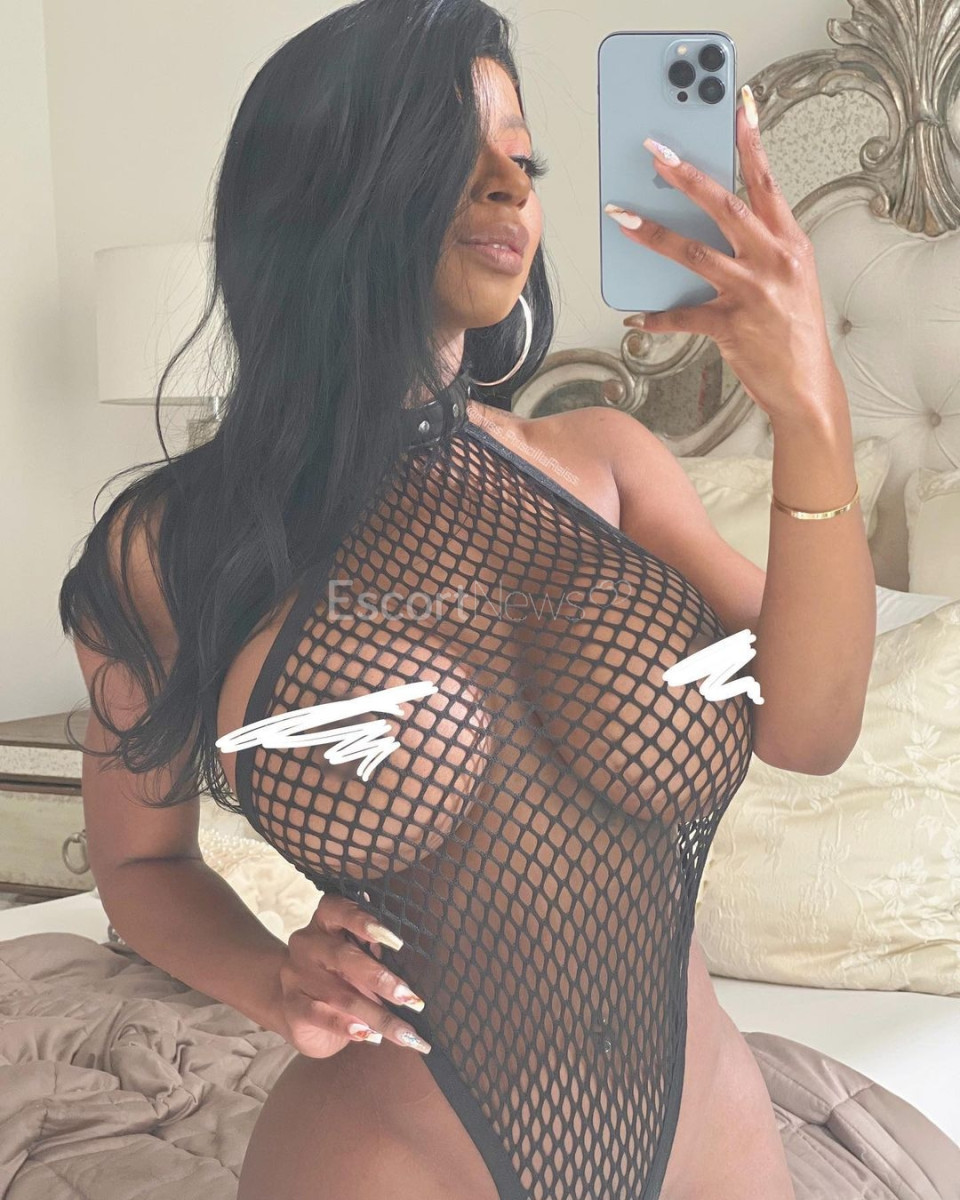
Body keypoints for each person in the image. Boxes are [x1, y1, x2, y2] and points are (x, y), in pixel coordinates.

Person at [59, 2, 876, 1197]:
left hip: (708, 1141)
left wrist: (812, 412)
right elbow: (139, 868)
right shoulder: (174, 540)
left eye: (524, 160)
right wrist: (273, 982)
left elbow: (813, 728)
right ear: (322, 176)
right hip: (392, 1159)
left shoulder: (609, 463)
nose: (509, 188)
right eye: (456, 148)